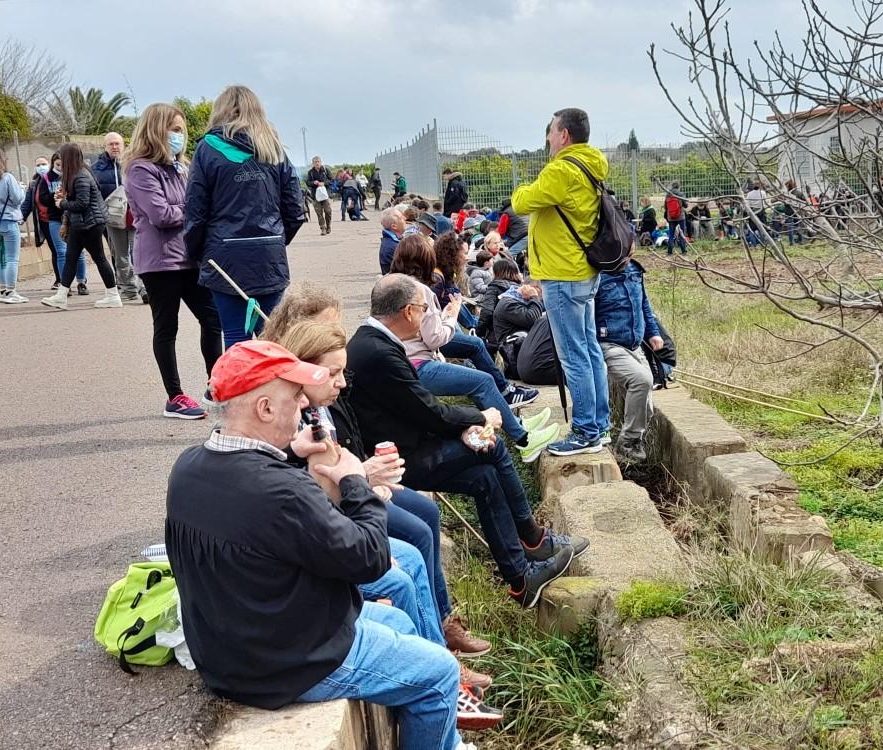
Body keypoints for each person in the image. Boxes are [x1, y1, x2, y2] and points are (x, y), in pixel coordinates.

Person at [165, 340, 484, 749]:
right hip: (289, 663)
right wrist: (355, 482)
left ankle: (440, 737)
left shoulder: (189, 467)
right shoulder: (280, 490)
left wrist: (291, 454)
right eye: (295, 395)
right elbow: (370, 558)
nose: (303, 403)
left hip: (229, 651)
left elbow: (264, 509)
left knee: (401, 623)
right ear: (265, 409)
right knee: (439, 674)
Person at [260, 284, 494, 674]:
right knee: (410, 551)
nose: (339, 336)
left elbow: (342, 445)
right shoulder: (290, 410)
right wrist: (363, 481)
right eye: (328, 332)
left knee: (427, 514)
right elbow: (307, 496)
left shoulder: (320, 398)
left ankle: (440, 629)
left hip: (352, 488)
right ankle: (437, 660)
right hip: (333, 515)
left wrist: (368, 471)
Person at [347, 274, 588, 607]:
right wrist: (479, 418)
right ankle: (533, 538)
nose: (424, 316)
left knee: (484, 477)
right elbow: (427, 410)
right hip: (401, 459)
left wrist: (463, 428)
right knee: (494, 446)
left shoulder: (372, 341)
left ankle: (520, 578)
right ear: (407, 311)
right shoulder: (379, 352)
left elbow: (418, 409)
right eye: (423, 309)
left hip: (407, 444)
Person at [389, 238, 555, 460]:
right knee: (483, 381)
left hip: (401, 362)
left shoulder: (392, 284)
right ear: (425, 259)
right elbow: (435, 339)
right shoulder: (420, 290)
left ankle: (516, 422)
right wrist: (451, 316)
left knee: (475, 376)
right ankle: (524, 440)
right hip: (418, 365)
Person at [511, 108, 611, 455]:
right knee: (590, 349)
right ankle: (600, 424)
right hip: (582, 272)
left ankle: (585, 432)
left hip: (562, 275)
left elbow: (521, 202)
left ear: (564, 135)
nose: (548, 138)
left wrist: (526, 186)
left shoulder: (561, 170)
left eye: (551, 131)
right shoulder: (590, 164)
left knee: (574, 356)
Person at [183, 85, 305, 348]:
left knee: (235, 337)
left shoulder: (207, 148)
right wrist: (276, 239)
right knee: (273, 338)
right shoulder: (273, 148)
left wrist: (197, 251)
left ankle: (238, 376)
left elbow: (195, 210)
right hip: (268, 256)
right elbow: (295, 208)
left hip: (224, 256)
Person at [124, 102, 223, 420]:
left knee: (212, 321)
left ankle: (217, 386)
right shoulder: (140, 169)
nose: (179, 135)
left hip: (189, 258)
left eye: (181, 130)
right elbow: (161, 215)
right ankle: (175, 397)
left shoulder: (182, 167)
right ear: (156, 130)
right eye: (174, 129)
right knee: (167, 328)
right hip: (159, 263)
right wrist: (196, 208)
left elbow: (192, 203)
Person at [594, 253, 665, 462]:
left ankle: (629, 444)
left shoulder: (635, 270)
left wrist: (653, 332)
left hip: (635, 344)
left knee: (646, 408)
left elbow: (644, 303)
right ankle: (628, 442)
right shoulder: (594, 274)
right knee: (642, 380)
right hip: (608, 344)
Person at [41, 143, 122, 310]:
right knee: (73, 258)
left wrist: (62, 203)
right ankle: (62, 295)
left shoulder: (80, 176)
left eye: (63, 157)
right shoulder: (77, 174)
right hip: (83, 223)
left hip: (89, 224)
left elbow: (82, 203)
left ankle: (113, 295)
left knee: (97, 258)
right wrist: (64, 200)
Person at [93, 132, 146, 302]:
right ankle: (128, 288)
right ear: (105, 146)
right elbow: (95, 193)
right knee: (121, 256)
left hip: (134, 215)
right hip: (113, 218)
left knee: (138, 252)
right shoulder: (97, 168)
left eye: (117, 144)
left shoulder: (133, 163)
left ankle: (144, 287)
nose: (114, 147)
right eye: (111, 144)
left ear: (123, 145)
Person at [36, 153, 89, 293]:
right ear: (53, 164)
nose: (60, 167)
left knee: (79, 252)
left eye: (62, 164)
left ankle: (81, 281)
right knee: (61, 251)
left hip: (73, 218)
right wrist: (54, 197)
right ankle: (65, 284)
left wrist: (67, 199)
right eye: (57, 164)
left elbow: (82, 196)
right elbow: (42, 198)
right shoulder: (47, 178)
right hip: (55, 218)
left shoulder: (74, 176)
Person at [0, 145, 26, 303]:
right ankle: (11, 292)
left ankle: (3, 289)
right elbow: (18, 199)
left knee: (1, 257)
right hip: (8, 221)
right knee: (12, 258)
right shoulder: (7, 178)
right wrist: (22, 189)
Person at [20, 156, 59, 288]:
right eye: (38, 165)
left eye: (43, 164)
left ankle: (78, 279)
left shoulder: (55, 179)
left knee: (64, 250)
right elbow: (27, 203)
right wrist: (21, 218)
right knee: (55, 250)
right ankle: (60, 280)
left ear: (49, 164)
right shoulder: (34, 184)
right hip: (44, 222)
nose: (41, 167)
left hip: (59, 219)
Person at [475, 258, 522, 349]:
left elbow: (487, 311)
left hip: (496, 335)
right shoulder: (521, 289)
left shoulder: (494, 287)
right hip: (517, 335)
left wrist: (479, 331)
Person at [306, 156, 333, 235]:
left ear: (321, 162)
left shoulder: (325, 170)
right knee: (319, 213)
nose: (317, 163)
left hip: (325, 195)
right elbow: (308, 182)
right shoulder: (310, 172)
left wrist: (324, 183)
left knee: (328, 211)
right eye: (315, 162)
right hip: (315, 196)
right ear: (313, 163)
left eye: (318, 161)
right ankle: (323, 228)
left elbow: (331, 180)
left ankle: (328, 226)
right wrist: (313, 182)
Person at [663, 181, 689, 256]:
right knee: (681, 233)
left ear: (672, 186)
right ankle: (683, 251)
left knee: (671, 234)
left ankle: (669, 252)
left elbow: (665, 207)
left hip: (671, 217)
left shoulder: (668, 194)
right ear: (679, 186)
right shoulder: (681, 194)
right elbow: (686, 205)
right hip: (680, 216)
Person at [379, 208, 405, 274]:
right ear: (394, 226)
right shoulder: (393, 246)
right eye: (401, 218)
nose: (405, 218)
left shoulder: (393, 241)